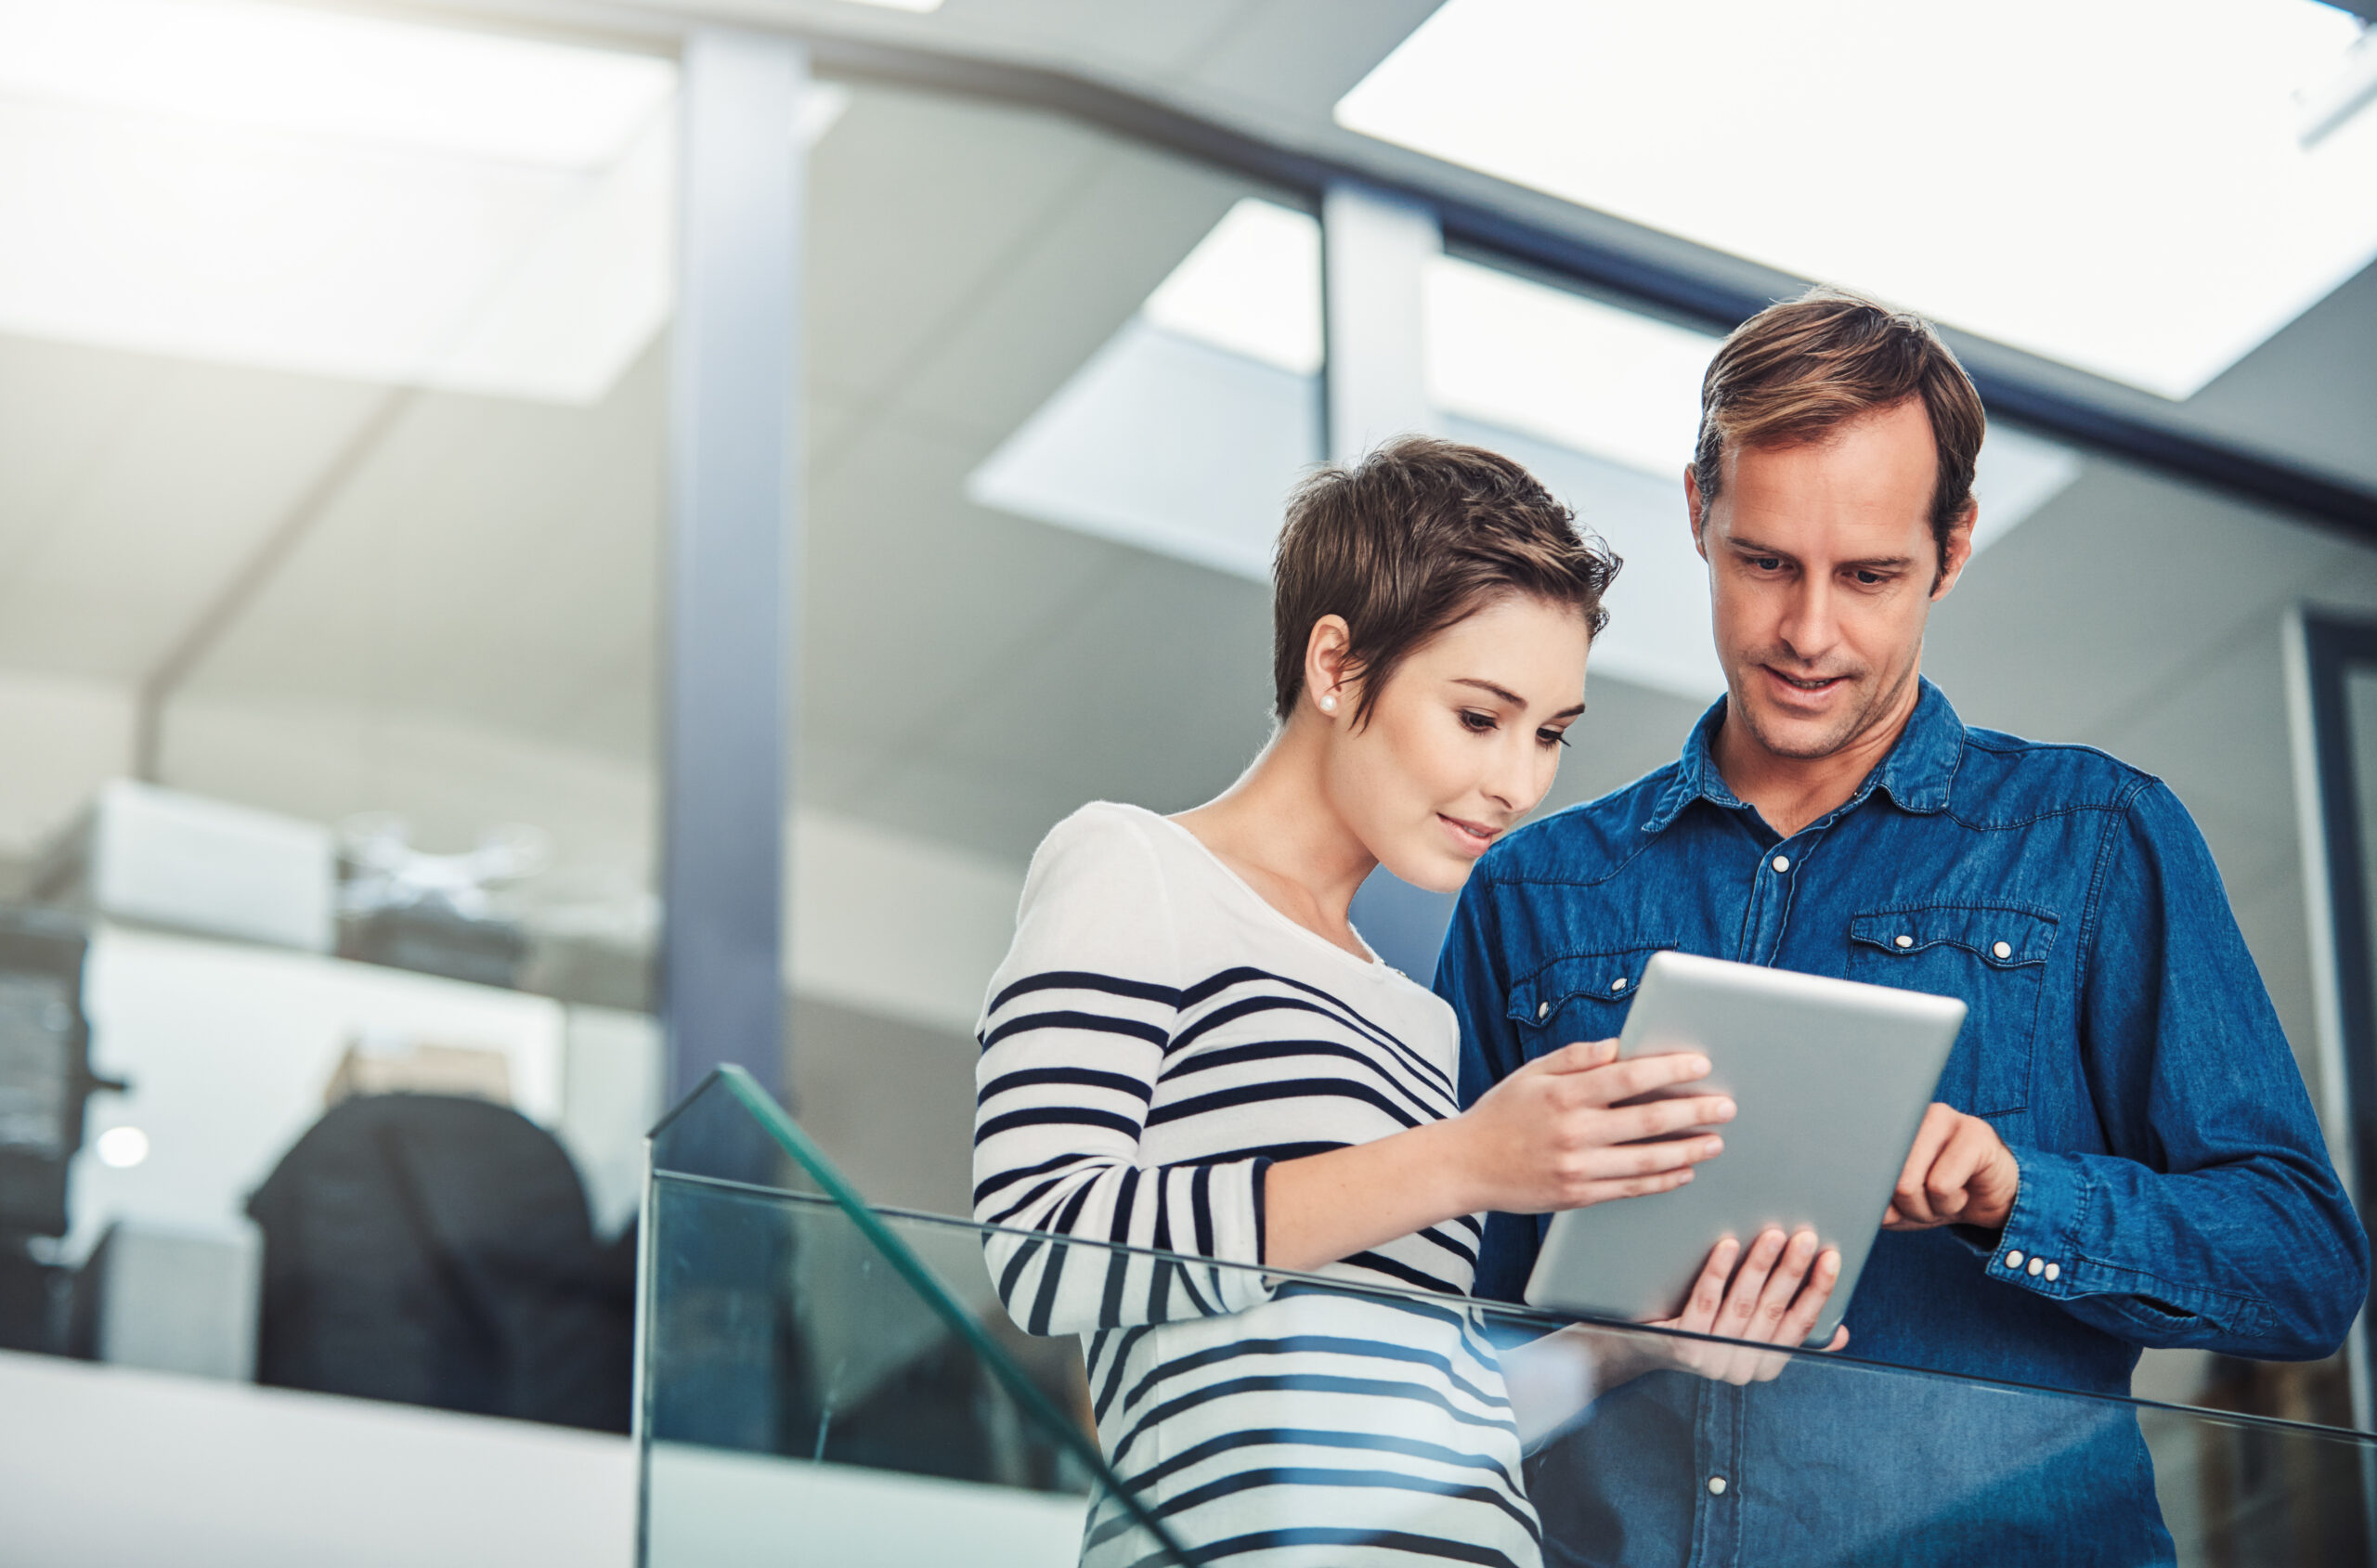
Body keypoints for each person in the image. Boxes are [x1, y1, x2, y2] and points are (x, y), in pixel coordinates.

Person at [1435, 289, 2372, 1567]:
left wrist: (2016, 1191)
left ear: (1954, 546)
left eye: (1869, 575)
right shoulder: (1535, 891)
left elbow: (2303, 1267)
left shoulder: (2094, 839)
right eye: (1765, 562)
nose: (1809, 633)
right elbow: (1448, 1348)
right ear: (1700, 511)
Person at [971, 437, 1839, 1568]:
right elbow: (1042, 1249)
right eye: (1480, 718)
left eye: (1549, 736)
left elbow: (1422, 1414)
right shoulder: (1133, 867)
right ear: (1335, 666)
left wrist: (1636, 1345)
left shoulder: (1416, 1019)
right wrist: (1470, 1162)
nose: (1518, 784)